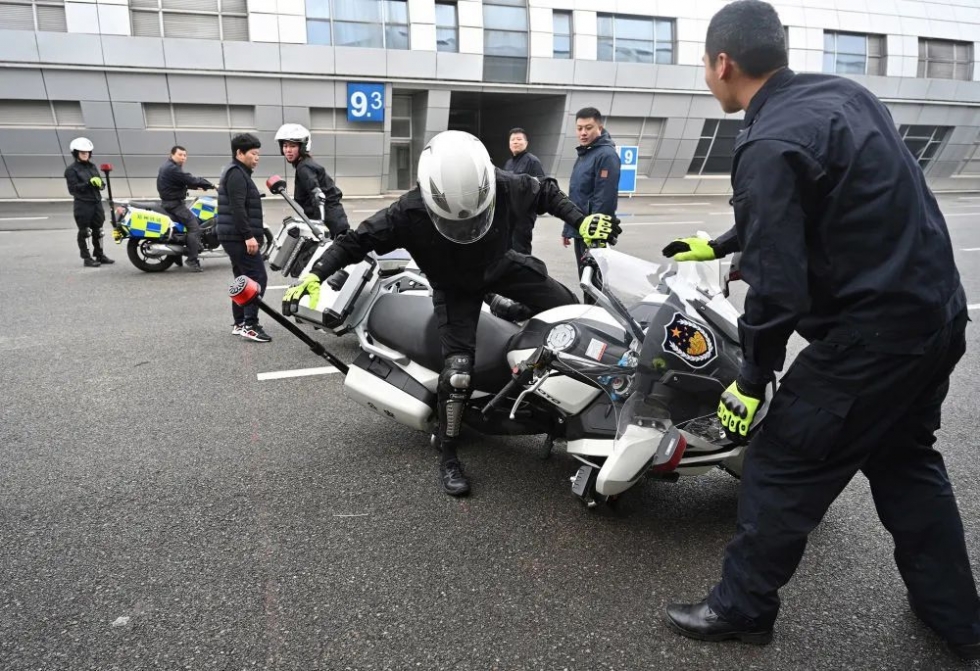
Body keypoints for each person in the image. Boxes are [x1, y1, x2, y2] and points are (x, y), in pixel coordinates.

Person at [661, 0, 979, 660]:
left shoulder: (767, 141)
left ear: (723, 63)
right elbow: (825, 203)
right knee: (903, 460)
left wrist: (752, 380)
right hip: (936, 315)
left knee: (780, 461)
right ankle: (956, 616)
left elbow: (777, 288)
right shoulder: (843, 96)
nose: (704, 74)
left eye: (703, 63)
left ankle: (742, 607)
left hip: (873, 338)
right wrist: (721, 244)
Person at [282, 131, 620, 497]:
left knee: (572, 313)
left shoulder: (504, 184)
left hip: (500, 266)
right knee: (458, 373)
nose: (466, 227)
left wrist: (581, 219)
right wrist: (315, 274)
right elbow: (355, 240)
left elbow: (547, 192)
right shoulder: (406, 212)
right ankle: (448, 450)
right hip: (454, 288)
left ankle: (593, 401)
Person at [217, 133, 270, 342]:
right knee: (258, 278)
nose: (257, 158)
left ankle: (240, 322)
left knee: (243, 279)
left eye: (258, 154)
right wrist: (248, 236)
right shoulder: (237, 174)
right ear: (240, 153)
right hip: (238, 237)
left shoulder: (237, 172)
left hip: (233, 235)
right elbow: (237, 208)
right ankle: (250, 324)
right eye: (253, 153)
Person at [565, 108, 620, 289]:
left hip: (593, 232)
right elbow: (577, 196)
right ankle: (591, 311)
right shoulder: (585, 154)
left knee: (593, 281)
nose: (583, 133)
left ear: (600, 127)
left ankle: (596, 313)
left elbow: (604, 197)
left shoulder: (606, 155)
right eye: (579, 128)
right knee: (585, 278)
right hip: (581, 228)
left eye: (588, 128)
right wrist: (568, 229)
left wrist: (596, 237)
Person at [274, 123, 350, 239]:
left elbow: (317, 195)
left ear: (303, 147)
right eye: (285, 146)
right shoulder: (304, 164)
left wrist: (319, 226)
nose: (288, 150)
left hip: (330, 224)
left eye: (292, 146)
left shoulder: (304, 167)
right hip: (334, 220)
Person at [157, 145, 215, 272]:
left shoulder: (168, 166)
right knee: (194, 228)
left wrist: (197, 187)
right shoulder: (173, 169)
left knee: (186, 226)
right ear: (172, 155)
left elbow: (180, 182)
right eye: (180, 155)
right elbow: (190, 179)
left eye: (185, 155)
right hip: (174, 205)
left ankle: (177, 256)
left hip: (170, 202)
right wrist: (211, 185)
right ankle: (192, 260)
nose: (183, 157)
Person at [64, 137, 113, 268]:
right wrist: (88, 183)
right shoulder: (71, 170)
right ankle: (87, 258)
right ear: (76, 153)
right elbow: (73, 189)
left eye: (87, 152)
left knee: (99, 230)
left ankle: (99, 255)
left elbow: (100, 183)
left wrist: (101, 184)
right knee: (85, 232)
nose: (85, 154)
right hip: (83, 204)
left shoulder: (92, 167)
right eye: (82, 152)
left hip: (96, 202)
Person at [502, 127, 546, 254]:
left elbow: (541, 187)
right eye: (513, 140)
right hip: (509, 217)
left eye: (519, 139)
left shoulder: (532, 161)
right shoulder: (509, 163)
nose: (515, 142)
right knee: (508, 251)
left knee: (521, 251)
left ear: (526, 143)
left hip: (523, 217)